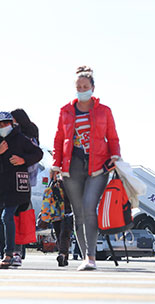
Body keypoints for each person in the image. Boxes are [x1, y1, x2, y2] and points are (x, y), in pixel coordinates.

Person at [51, 66, 121, 271]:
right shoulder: (65, 111)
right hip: (72, 166)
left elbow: (113, 137)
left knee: (90, 208)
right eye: (78, 86)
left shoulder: (104, 111)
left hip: (98, 166)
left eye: (85, 86)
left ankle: (91, 256)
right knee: (78, 213)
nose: (82, 89)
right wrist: (56, 164)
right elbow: (59, 139)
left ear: (92, 87)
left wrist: (115, 156)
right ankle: (85, 257)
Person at [0, 111, 43, 269]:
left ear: (12, 124)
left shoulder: (21, 139)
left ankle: (10, 253)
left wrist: (23, 160)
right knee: (1, 219)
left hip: (17, 187)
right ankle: (4, 255)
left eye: (6, 124)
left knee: (8, 216)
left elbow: (38, 153)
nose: (3, 127)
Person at [10, 108, 41, 267]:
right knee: (15, 216)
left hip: (22, 181)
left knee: (17, 216)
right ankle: (15, 251)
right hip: (23, 181)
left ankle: (16, 251)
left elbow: (35, 157)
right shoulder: (24, 134)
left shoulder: (26, 137)